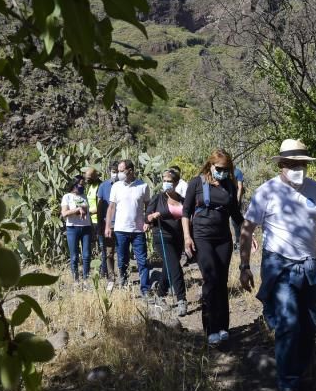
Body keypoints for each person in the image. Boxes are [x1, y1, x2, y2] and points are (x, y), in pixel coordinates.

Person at [238, 139, 316, 391]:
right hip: (278, 264)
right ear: (282, 165)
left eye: (302, 164)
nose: (298, 169)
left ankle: (301, 380)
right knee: (288, 324)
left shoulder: (315, 190)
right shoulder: (267, 192)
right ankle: (286, 387)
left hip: (309, 265)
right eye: (293, 164)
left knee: (309, 324)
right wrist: (244, 266)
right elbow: (247, 230)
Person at [182, 148, 245, 346]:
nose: (222, 172)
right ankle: (211, 328)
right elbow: (185, 213)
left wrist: (247, 233)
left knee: (222, 281)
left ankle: (223, 327)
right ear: (210, 165)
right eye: (219, 168)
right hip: (202, 237)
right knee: (211, 279)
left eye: (226, 169)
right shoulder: (196, 183)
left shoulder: (230, 185)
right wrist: (187, 237)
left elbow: (236, 214)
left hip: (223, 239)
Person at [105, 159, 152, 297]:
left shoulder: (143, 186)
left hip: (138, 230)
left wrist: (147, 222)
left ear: (130, 170)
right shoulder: (116, 186)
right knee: (122, 260)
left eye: (121, 171)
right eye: (118, 171)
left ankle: (145, 289)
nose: (119, 173)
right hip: (120, 230)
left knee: (142, 261)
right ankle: (124, 284)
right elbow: (111, 207)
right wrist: (108, 226)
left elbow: (148, 206)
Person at [146, 168, 188, 316]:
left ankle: (159, 295)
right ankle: (182, 299)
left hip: (178, 238)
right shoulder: (158, 198)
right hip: (162, 237)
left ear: (176, 183)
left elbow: (188, 217)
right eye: (164, 181)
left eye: (169, 181)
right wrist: (152, 217)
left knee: (168, 267)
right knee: (175, 266)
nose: (166, 183)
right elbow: (147, 217)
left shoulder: (183, 200)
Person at [61, 175, 92, 283]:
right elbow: (64, 213)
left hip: (86, 227)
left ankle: (86, 279)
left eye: (84, 184)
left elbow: (87, 212)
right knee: (74, 256)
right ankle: (76, 280)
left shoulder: (84, 196)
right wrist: (77, 209)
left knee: (86, 255)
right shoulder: (67, 197)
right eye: (81, 184)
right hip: (72, 228)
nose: (83, 186)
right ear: (74, 185)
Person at [97, 161, 119, 290]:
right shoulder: (103, 186)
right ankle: (111, 277)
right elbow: (100, 207)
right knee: (109, 252)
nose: (116, 174)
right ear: (109, 172)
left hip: (123, 224)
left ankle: (123, 276)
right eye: (114, 172)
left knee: (122, 252)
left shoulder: (125, 185)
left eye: (118, 172)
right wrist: (101, 224)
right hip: (108, 225)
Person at [232, 165, 245, 251]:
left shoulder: (237, 172)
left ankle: (238, 242)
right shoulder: (226, 172)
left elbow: (240, 187)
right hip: (227, 200)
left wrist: (237, 200)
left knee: (235, 222)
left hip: (235, 201)